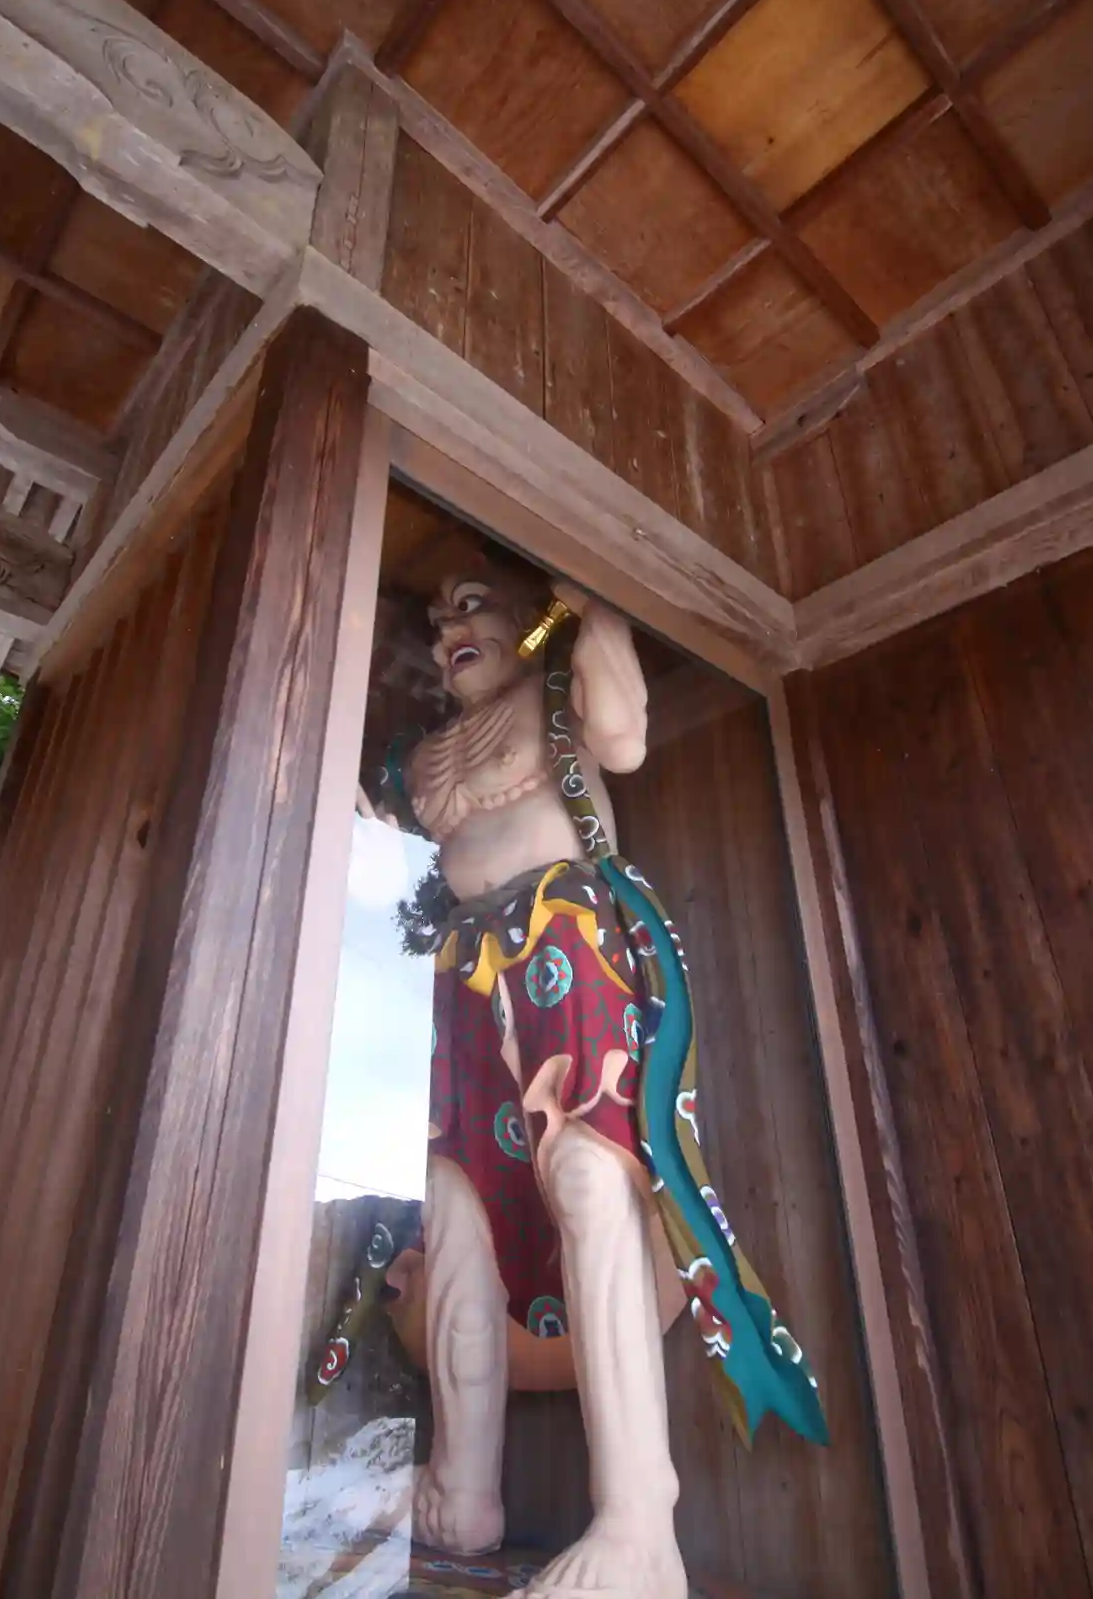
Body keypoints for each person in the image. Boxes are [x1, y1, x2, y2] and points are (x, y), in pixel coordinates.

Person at [366, 555, 823, 1599]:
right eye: (436, 621)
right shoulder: (423, 755)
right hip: (460, 972)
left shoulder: (555, 695)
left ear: (525, 619)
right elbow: (386, 831)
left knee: (586, 1176)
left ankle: (637, 1521)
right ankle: (462, 1488)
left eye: (471, 607)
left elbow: (624, 739)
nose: (448, 632)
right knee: (454, 1207)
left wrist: (600, 610)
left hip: (565, 938)